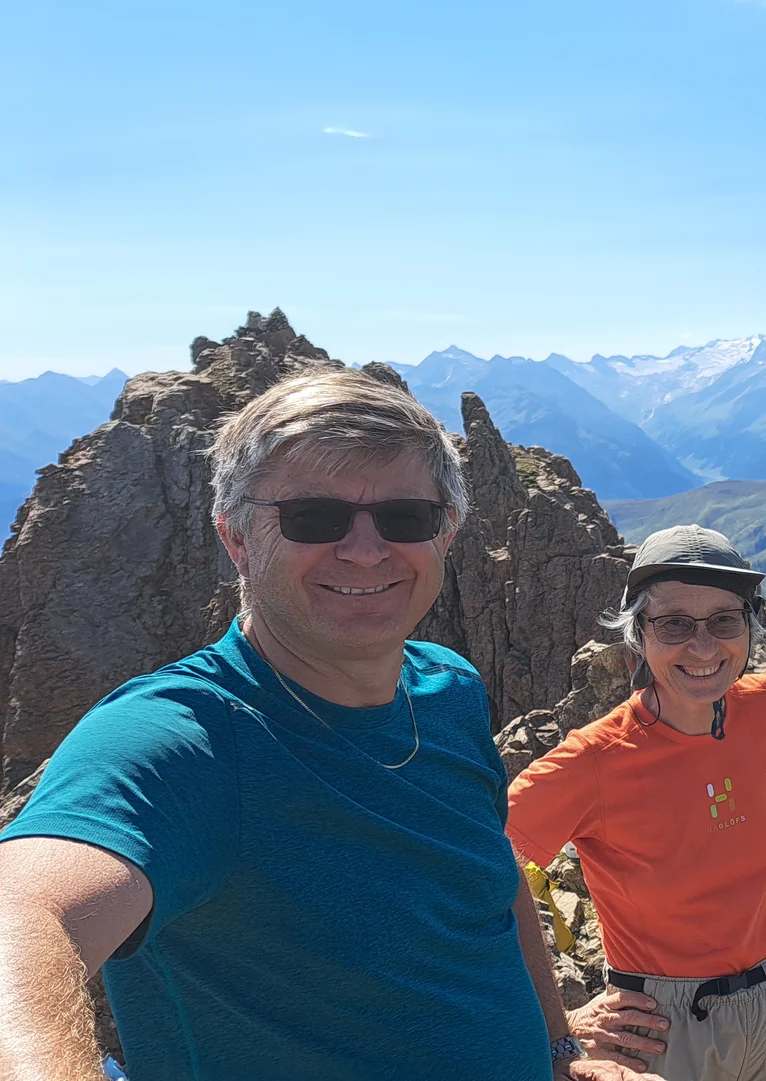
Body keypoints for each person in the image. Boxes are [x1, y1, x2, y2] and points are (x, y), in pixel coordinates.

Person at [0, 369, 657, 1081]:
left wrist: (557, 1048)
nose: (367, 549)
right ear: (237, 538)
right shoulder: (183, 736)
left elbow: (489, 882)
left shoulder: (450, 688)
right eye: (314, 517)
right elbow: (22, 917)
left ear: (447, 531)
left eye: (406, 517)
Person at [507, 526, 766, 1080]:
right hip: (660, 1028)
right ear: (638, 636)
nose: (703, 647)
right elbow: (483, 863)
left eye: (725, 621)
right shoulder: (596, 759)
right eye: (674, 623)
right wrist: (556, 1028)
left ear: (749, 628)